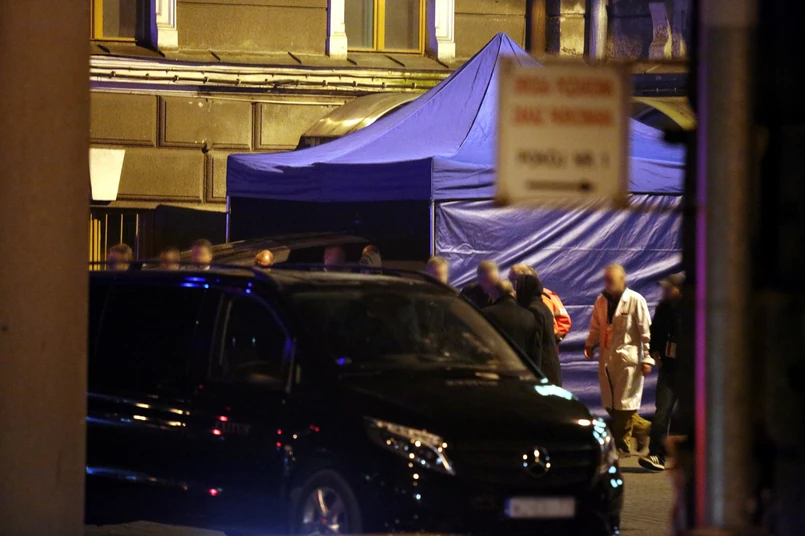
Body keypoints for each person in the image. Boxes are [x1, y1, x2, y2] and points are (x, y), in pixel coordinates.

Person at [585, 264, 653, 456]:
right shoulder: (601, 301)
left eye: (612, 280)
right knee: (611, 405)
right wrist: (590, 344)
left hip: (629, 360)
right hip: (608, 358)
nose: (608, 283)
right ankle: (643, 428)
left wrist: (647, 358)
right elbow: (596, 326)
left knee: (624, 405)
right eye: (606, 279)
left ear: (622, 280)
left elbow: (647, 332)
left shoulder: (635, 300)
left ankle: (621, 446)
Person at [640, 272, 684, 472]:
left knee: (696, 415)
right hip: (668, 369)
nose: (664, 290)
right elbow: (655, 332)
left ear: (679, 290)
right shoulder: (663, 308)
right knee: (661, 412)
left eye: (668, 287)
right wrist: (654, 352)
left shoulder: (695, 309)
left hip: (692, 373)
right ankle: (656, 455)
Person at [515, 273, 562, 385]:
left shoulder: (533, 309)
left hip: (543, 368)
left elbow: (537, 344)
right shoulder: (543, 307)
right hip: (551, 365)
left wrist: (534, 372)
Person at [508, 263, 572, 344]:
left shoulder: (544, 297)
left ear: (526, 279)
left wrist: (551, 339)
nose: (510, 283)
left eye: (514, 280)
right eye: (509, 279)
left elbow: (563, 322)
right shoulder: (515, 298)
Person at [483, 281, 540, 367]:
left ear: (493, 295)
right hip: (520, 369)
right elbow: (535, 351)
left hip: (494, 368)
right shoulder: (529, 316)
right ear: (514, 293)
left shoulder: (485, 314)